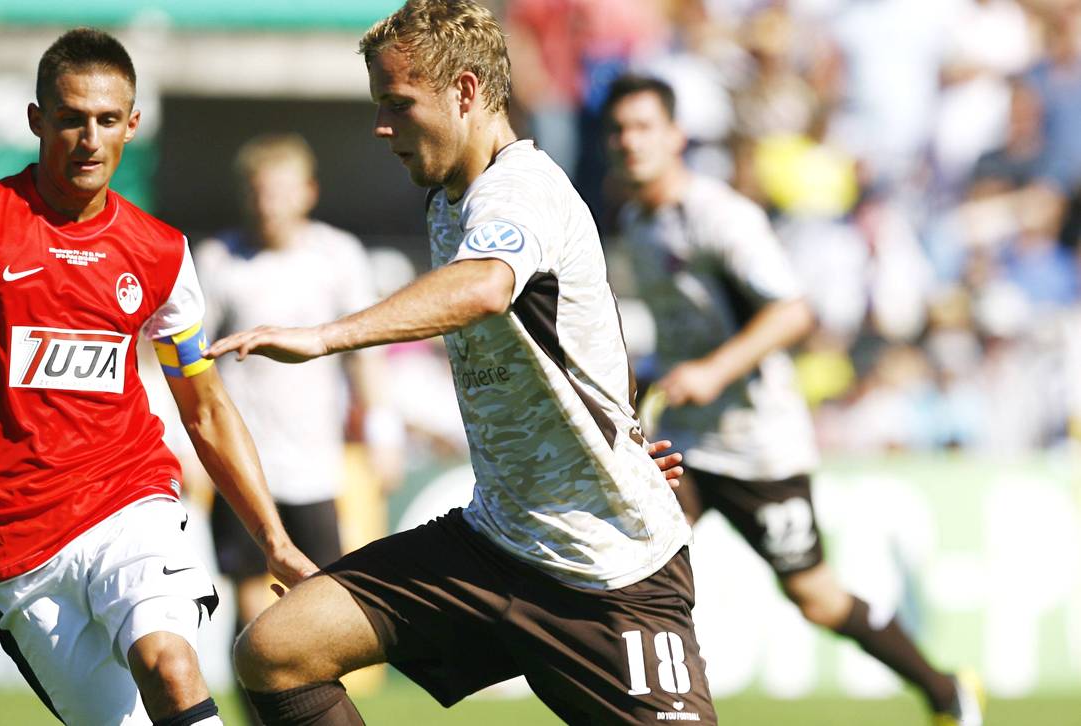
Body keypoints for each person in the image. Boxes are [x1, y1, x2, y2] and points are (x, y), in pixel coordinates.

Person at [202, 2, 717, 724]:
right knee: (276, 648)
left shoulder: (520, 190)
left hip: (608, 573)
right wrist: (620, 437)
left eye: (398, 105)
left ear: (467, 92)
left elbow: (484, 288)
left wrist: (324, 337)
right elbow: (574, 334)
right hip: (495, 544)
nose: (383, 128)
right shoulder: (452, 199)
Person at [0, 28, 316, 726]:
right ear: (37, 120)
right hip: (13, 534)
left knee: (171, 663)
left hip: (130, 497)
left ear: (133, 125)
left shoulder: (160, 251)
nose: (90, 138)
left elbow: (203, 405)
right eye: (71, 119)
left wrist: (274, 540)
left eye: (108, 120)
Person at [602, 73, 985, 726]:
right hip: (687, 442)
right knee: (637, 569)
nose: (629, 142)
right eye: (619, 130)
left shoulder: (719, 217)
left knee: (816, 596)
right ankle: (663, 710)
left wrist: (715, 370)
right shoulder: (638, 221)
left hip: (758, 443)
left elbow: (793, 311)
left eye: (644, 127)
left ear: (677, 136)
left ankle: (945, 689)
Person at [193, 133, 403, 724]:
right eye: (258, 192)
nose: (268, 205)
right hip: (244, 467)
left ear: (307, 193)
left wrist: (382, 432)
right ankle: (263, 718)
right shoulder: (218, 261)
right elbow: (188, 366)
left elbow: (366, 351)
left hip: (314, 465)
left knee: (319, 606)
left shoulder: (337, 256)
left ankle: (312, 712)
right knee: (250, 606)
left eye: (280, 191)